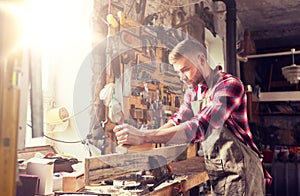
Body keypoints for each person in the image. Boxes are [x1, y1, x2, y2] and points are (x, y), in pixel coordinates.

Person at [113, 39, 271, 195]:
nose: (182, 77)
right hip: (220, 171)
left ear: (202, 59)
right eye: (178, 72)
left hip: (242, 171)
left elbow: (200, 127)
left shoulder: (229, 85)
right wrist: (151, 145)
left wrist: (144, 137)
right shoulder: (193, 92)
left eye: (185, 69)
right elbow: (178, 119)